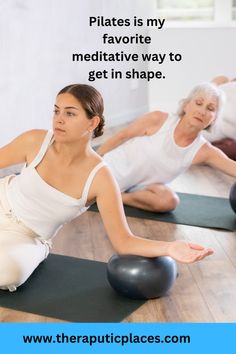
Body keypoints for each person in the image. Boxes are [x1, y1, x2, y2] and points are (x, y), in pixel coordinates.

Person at [0, 84, 214, 292]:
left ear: (92, 122)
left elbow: (124, 241)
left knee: (8, 273)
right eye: (57, 111)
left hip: (27, 237)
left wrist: (169, 247)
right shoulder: (35, 140)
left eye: (70, 113)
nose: (59, 119)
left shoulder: (101, 178)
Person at [97, 82, 236, 212]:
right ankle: (105, 193)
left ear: (214, 119)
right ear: (186, 105)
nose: (202, 111)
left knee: (169, 201)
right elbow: (121, 136)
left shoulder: (204, 150)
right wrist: (93, 160)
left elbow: (231, 167)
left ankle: (117, 198)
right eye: (198, 103)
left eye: (210, 109)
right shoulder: (158, 119)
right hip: (109, 170)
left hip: (136, 188)